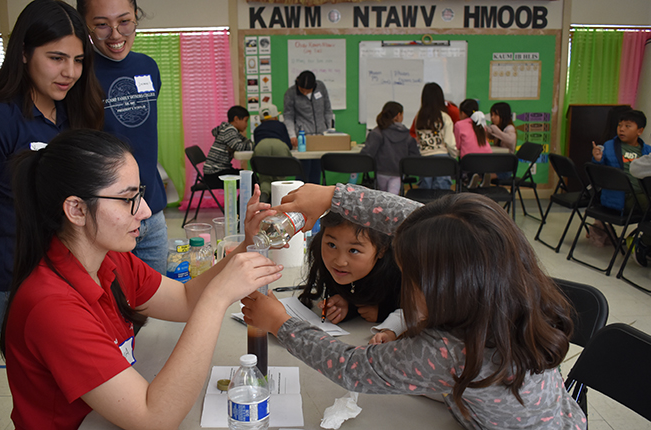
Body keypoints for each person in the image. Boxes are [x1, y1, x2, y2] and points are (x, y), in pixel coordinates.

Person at [241, 183, 585, 430]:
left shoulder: (449, 351)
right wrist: (333, 197)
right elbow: (431, 222)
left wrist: (282, 324)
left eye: (411, 278)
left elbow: (352, 367)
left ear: (445, 290)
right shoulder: (513, 280)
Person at [2, 129, 282, 429]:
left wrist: (245, 246)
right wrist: (217, 298)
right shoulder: (52, 306)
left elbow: (185, 300)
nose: (146, 211)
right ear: (77, 209)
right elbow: (155, 419)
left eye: (141, 194)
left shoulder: (111, 259)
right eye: (127, 199)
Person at [0, 0, 104, 331]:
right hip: (23, 283)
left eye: (77, 60)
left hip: (76, 272)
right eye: (56, 58)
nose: (70, 72)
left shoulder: (73, 114)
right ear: (24, 53)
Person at [77, 0, 170, 275]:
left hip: (151, 211)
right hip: (105, 217)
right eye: (102, 24)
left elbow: (141, 135)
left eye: (125, 21)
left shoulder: (148, 67)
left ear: (136, 18)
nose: (116, 35)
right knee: (112, 309)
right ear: (86, 26)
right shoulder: (78, 73)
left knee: (155, 305)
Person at [298, 210, 408, 325]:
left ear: (382, 250)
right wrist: (348, 305)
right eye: (332, 245)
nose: (340, 262)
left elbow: (422, 312)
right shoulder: (323, 256)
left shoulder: (401, 270)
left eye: (353, 250)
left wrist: (386, 313)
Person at [591, 109, 650, 213]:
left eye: (627, 126)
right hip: (620, 197)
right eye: (619, 125)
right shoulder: (609, 146)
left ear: (639, 131)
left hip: (642, 193)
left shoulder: (647, 150)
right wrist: (598, 159)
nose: (621, 129)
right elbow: (599, 173)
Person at [360, 101, 419, 195]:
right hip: (398, 173)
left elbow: (367, 154)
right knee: (393, 198)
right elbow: (414, 156)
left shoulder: (377, 132)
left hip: (380, 172)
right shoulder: (407, 135)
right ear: (399, 115)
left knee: (382, 197)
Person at [413, 83, 457, 190]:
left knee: (425, 194)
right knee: (441, 197)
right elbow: (449, 142)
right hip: (442, 160)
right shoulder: (444, 117)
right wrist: (454, 156)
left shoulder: (419, 117)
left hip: (424, 160)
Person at [203, 105, 253, 189]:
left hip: (217, 172)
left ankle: (242, 201)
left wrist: (250, 144)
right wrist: (255, 145)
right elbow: (240, 146)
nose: (246, 125)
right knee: (250, 179)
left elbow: (245, 141)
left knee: (250, 176)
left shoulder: (230, 130)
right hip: (214, 175)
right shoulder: (229, 131)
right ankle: (241, 202)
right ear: (236, 119)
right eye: (245, 121)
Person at [252, 103, 293, 201]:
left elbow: (255, 145)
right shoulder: (281, 126)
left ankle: (264, 195)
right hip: (279, 145)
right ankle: (279, 199)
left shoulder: (258, 129)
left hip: (262, 146)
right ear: (276, 117)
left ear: (261, 120)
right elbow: (289, 145)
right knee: (280, 176)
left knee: (264, 177)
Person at [283, 70, 333, 147]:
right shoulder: (291, 93)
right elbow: (288, 116)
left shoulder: (321, 87)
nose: (305, 93)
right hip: (303, 136)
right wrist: (292, 135)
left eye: (308, 91)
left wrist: (329, 130)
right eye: (302, 90)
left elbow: (327, 110)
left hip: (322, 134)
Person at [454, 99, 492, 188]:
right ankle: (482, 177)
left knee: (462, 166)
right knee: (477, 164)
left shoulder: (459, 124)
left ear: (463, 113)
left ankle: (468, 180)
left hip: (469, 161)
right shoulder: (481, 123)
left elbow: (457, 145)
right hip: (487, 160)